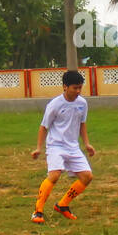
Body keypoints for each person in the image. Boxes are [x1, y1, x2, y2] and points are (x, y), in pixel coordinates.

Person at [30, 70, 96, 224]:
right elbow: (43, 127)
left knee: (87, 177)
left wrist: (87, 144)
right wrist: (39, 148)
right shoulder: (54, 105)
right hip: (56, 146)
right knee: (54, 175)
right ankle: (37, 211)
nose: (78, 91)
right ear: (65, 87)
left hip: (73, 147)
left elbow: (82, 124)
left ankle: (62, 205)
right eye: (75, 88)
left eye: (80, 87)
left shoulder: (82, 103)